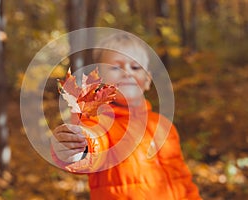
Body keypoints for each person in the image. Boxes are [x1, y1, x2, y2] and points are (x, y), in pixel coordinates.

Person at [50, 33, 202, 199]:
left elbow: (182, 178)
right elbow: (94, 143)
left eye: (135, 67)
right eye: (116, 67)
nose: (127, 72)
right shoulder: (98, 122)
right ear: (100, 79)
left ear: (147, 80)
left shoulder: (164, 126)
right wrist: (78, 147)